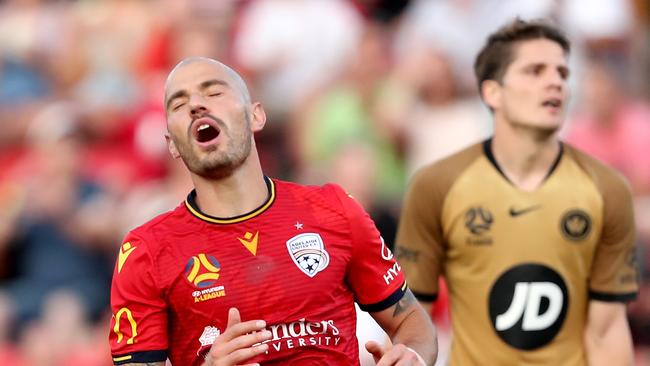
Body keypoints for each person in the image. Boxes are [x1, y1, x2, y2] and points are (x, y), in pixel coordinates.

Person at [108, 56, 437, 366]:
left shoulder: (334, 210)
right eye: (179, 104)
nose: (196, 105)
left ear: (256, 116)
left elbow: (411, 320)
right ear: (172, 144)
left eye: (214, 92)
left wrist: (412, 356)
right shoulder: (146, 250)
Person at [395, 19, 638, 366]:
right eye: (535, 71)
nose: (555, 82)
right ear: (492, 92)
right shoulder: (436, 184)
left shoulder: (607, 189)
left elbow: (607, 329)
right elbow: (411, 319)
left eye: (562, 73)